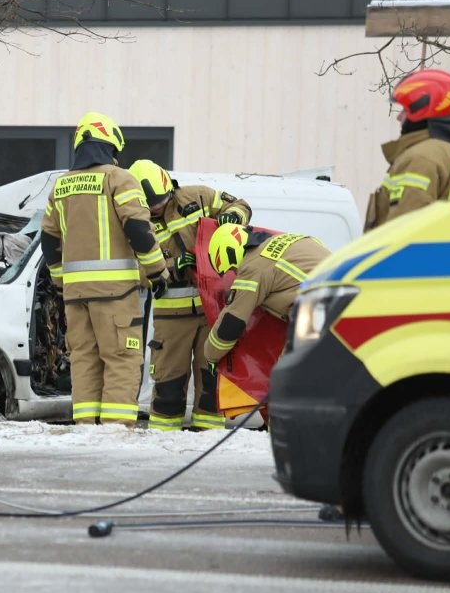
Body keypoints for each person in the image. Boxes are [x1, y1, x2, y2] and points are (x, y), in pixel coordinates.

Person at [40, 113, 167, 427]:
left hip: (75, 295)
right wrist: (157, 272)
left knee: (84, 360)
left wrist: (59, 282)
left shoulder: (61, 186)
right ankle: (114, 430)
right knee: (122, 358)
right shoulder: (119, 179)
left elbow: (48, 241)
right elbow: (139, 229)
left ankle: (86, 427)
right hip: (115, 293)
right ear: (112, 144)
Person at [128, 160, 251, 431]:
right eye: (152, 205)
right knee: (168, 385)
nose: (157, 207)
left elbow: (240, 205)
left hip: (212, 311)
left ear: (169, 187)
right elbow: (132, 270)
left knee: (211, 383)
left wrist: (233, 218)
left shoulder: (198, 197)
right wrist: (170, 267)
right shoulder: (135, 223)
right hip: (172, 319)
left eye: (160, 200)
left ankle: (207, 438)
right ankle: (163, 439)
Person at [364, 68, 450, 231]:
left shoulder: (421, 158)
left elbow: (403, 232)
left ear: (422, 108)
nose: (399, 117)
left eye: (404, 109)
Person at [203, 224, 330, 368]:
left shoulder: (252, 267)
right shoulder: (288, 239)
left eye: (232, 269)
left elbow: (231, 323)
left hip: (317, 313)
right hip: (350, 298)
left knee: (286, 378)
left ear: (230, 253)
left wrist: (210, 356)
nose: (234, 273)